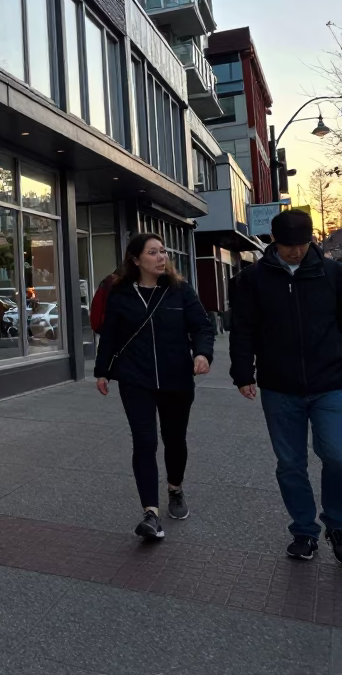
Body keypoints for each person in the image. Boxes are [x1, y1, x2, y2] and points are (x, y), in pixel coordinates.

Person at [231, 209, 342, 562]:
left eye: (302, 243)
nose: (296, 251)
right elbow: (243, 329)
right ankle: (304, 531)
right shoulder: (253, 279)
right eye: (288, 245)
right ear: (274, 241)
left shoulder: (333, 274)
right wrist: (242, 373)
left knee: (338, 455)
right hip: (279, 386)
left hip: (331, 381)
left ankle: (337, 525)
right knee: (290, 462)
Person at [95, 233, 214, 541]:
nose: (161, 257)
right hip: (136, 379)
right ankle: (151, 514)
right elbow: (109, 335)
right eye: (153, 252)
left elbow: (201, 326)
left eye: (163, 251)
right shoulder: (120, 294)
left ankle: (175, 487)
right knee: (144, 442)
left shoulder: (180, 291)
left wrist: (202, 353)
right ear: (136, 260)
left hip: (176, 378)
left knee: (174, 440)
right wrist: (102, 371)